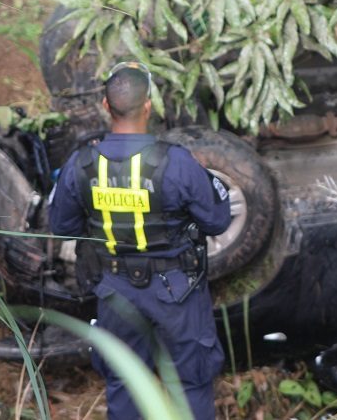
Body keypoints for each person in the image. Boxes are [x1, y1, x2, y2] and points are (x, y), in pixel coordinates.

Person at [48, 61, 231, 420]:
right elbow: (217, 220)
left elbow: (62, 226)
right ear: (148, 105)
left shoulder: (82, 164)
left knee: (126, 383)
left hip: (115, 291)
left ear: (105, 106)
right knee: (191, 383)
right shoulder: (176, 163)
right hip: (177, 291)